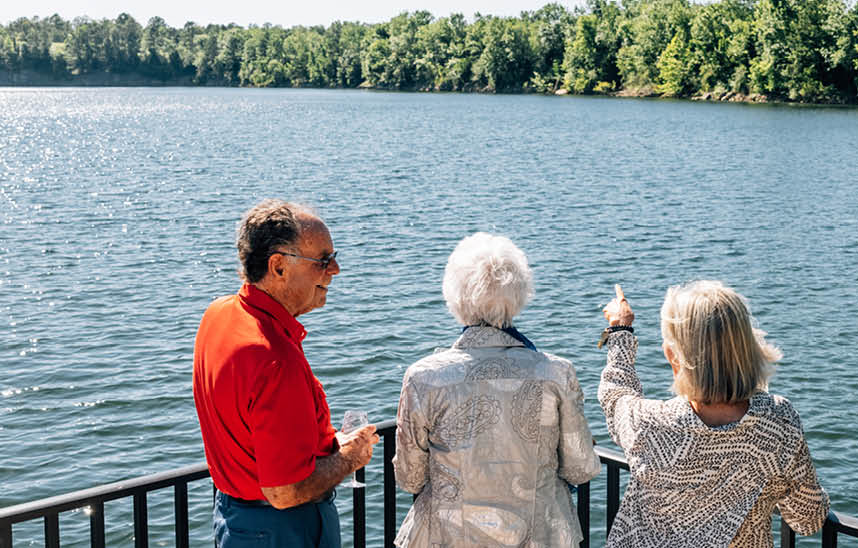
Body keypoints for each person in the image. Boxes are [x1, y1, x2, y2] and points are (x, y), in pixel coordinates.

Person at [392, 233, 600, 547]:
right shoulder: (556, 373)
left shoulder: (424, 378)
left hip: (448, 537)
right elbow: (581, 467)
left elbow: (410, 477)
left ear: (455, 295)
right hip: (540, 537)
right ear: (519, 294)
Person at [193, 199, 379, 548]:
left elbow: (252, 436)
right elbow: (284, 491)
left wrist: (327, 446)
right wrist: (349, 458)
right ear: (277, 267)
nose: (335, 269)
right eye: (323, 260)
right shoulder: (274, 358)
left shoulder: (217, 315)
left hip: (234, 519)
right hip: (284, 529)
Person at [596, 281, 830, 548]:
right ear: (748, 348)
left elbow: (615, 396)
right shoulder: (778, 422)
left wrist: (620, 329)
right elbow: (808, 520)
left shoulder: (649, 424)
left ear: (674, 357)